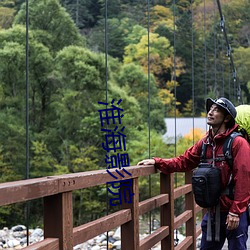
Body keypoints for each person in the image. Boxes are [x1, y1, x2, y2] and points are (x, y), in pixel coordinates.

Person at [137, 97, 250, 250]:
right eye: (210, 109)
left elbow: (244, 178)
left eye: (216, 110)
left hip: (233, 211)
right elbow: (184, 161)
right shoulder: (205, 143)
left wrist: (236, 212)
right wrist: (157, 162)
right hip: (213, 211)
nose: (210, 112)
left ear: (227, 118)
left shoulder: (238, 143)